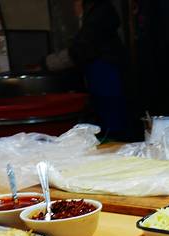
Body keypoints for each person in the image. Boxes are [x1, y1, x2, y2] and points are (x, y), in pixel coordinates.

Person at [43, 0, 131, 139]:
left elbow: (82, 49)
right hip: (100, 73)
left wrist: (47, 63)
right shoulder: (95, 10)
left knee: (112, 121)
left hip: (106, 72)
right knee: (108, 118)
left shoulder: (100, 12)